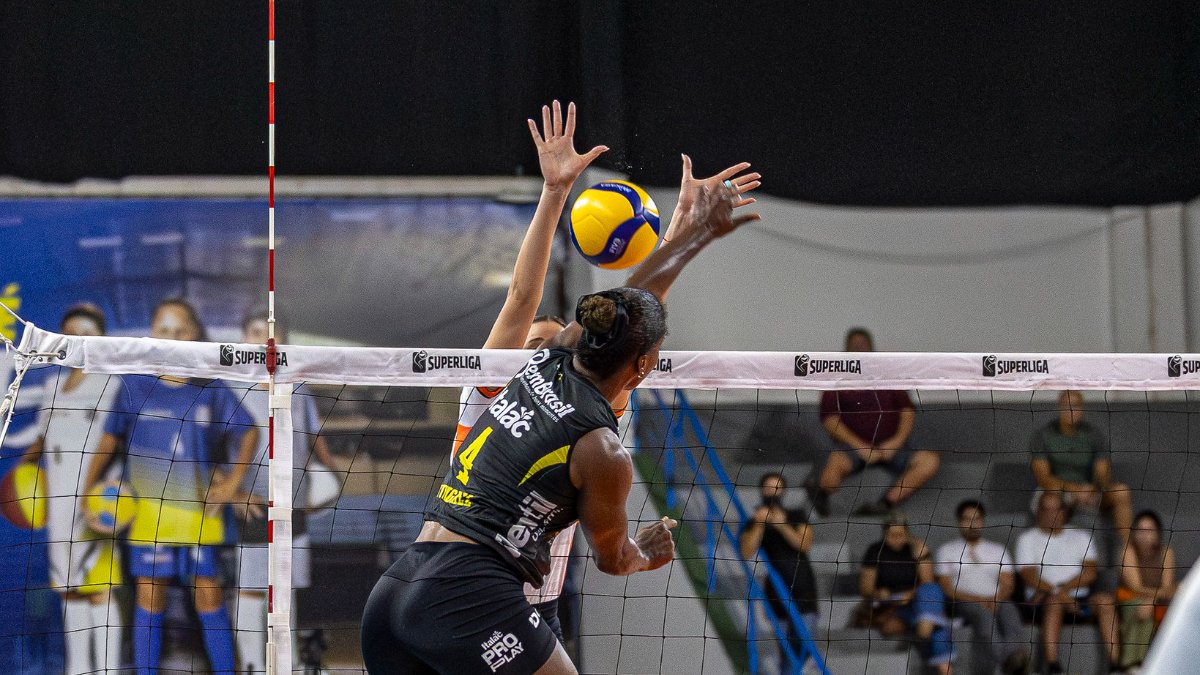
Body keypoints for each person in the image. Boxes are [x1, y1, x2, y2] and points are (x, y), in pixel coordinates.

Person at [360, 176, 760, 674]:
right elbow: (614, 560)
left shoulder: (548, 359)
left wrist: (695, 230)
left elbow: (635, 299)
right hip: (468, 595)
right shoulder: (603, 451)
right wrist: (645, 552)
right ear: (641, 368)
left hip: (401, 584)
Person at [451, 99, 761, 643]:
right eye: (533, 345)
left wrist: (680, 236)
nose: (540, 353)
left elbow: (629, 321)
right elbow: (524, 295)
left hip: (537, 600)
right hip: (475, 585)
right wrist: (554, 193)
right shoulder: (490, 387)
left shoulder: (592, 406)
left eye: (552, 344)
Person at [82, 298, 259, 675]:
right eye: (164, 329)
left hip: (200, 514)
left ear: (194, 334)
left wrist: (232, 483)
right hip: (148, 515)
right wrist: (87, 491)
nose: (173, 336)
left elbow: (248, 433)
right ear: (152, 334)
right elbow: (108, 441)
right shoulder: (134, 385)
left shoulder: (210, 387)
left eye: (180, 329)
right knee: (150, 596)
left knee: (209, 597)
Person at [228, 308, 338, 673]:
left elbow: (312, 435)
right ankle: (251, 667)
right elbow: (210, 451)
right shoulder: (227, 387)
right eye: (256, 331)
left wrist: (331, 477)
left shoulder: (299, 385)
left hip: (293, 506)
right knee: (251, 591)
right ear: (243, 338)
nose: (264, 339)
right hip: (253, 505)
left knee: (284, 595)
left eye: (272, 333)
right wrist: (234, 494)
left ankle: (285, 667)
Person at [20, 303, 124, 674]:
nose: (77, 340)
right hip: (57, 503)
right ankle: (78, 668)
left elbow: (113, 441)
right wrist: (21, 467)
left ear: (101, 339)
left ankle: (108, 669)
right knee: (67, 588)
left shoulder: (113, 383)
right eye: (70, 333)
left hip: (96, 501)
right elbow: (43, 438)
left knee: (100, 587)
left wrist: (101, 494)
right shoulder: (50, 386)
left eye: (86, 332)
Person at [806, 328, 941, 517]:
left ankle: (885, 503)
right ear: (846, 350)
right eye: (854, 346)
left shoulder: (887, 374)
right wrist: (860, 447)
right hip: (853, 449)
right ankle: (821, 497)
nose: (859, 349)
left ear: (871, 348)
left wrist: (895, 442)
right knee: (833, 464)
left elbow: (907, 410)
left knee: (929, 461)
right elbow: (830, 419)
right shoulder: (837, 378)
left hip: (892, 448)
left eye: (863, 345)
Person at [1014, 490, 1118, 674]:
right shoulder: (1027, 539)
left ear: (1065, 511)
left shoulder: (1081, 536)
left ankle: (1116, 666)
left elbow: (1090, 572)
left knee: (1105, 601)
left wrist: (1064, 590)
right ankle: (1053, 665)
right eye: (1046, 509)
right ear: (1037, 511)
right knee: (1054, 603)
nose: (1051, 514)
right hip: (1042, 602)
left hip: (1080, 603)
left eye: (1056, 509)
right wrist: (1059, 594)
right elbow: (1028, 575)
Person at [934, 500, 1028, 674]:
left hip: (997, 599)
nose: (972, 524)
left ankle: (1011, 661)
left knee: (1011, 614)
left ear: (983, 521)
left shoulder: (998, 550)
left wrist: (996, 599)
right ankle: (1010, 665)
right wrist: (979, 600)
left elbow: (1009, 583)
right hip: (961, 602)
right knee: (984, 617)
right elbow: (946, 587)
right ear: (958, 521)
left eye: (976, 519)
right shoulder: (947, 551)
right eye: (967, 519)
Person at [738, 472, 819, 672]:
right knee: (786, 650)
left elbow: (804, 544)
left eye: (776, 488)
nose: (771, 493)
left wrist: (782, 525)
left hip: (803, 587)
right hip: (776, 590)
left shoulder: (796, 515)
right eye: (767, 487)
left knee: (802, 645)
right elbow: (746, 551)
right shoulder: (754, 520)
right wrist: (759, 524)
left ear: (783, 491)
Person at [856, 513, 954, 674]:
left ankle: (926, 626)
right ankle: (928, 633)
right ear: (884, 534)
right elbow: (865, 589)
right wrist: (879, 593)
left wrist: (911, 593)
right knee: (938, 629)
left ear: (907, 533)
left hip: (917, 601)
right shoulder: (875, 551)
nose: (896, 539)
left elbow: (927, 583)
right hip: (890, 604)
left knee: (932, 591)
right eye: (891, 535)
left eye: (900, 535)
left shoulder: (916, 548)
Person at [1030, 390, 1133, 542]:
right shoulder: (1044, 435)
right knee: (1050, 501)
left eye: (1076, 406)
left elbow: (1103, 474)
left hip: (1088, 491)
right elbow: (1043, 478)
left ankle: (1126, 552)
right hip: (1058, 491)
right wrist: (1074, 490)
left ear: (1082, 408)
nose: (1071, 410)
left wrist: (1092, 489)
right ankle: (1046, 555)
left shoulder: (1093, 434)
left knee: (1121, 492)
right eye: (1067, 405)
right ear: (1059, 407)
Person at [1116, 510, 1176, 671]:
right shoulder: (1128, 551)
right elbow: (1135, 587)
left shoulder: (1166, 552)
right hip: (1130, 599)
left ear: (1158, 532)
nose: (1144, 534)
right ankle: (1133, 664)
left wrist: (1153, 600)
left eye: (1149, 530)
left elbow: (1168, 588)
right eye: (1141, 530)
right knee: (1140, 607)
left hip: (1157, 602)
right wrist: (1152, 599)